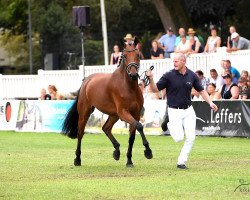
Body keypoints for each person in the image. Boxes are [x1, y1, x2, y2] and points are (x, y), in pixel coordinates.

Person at [146, 53, 218, 169]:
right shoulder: (168, 75)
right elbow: (155, 89)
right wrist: (151, 78)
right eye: (173, 61)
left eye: (176, 61)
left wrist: (210, 102)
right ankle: (168, 122)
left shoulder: (192, 75)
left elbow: (202, 91)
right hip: (174, 111)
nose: (174, 63)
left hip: (189, 110)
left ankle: (181, 162)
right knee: (179, 138)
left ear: (183, 62)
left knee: (191, 137)